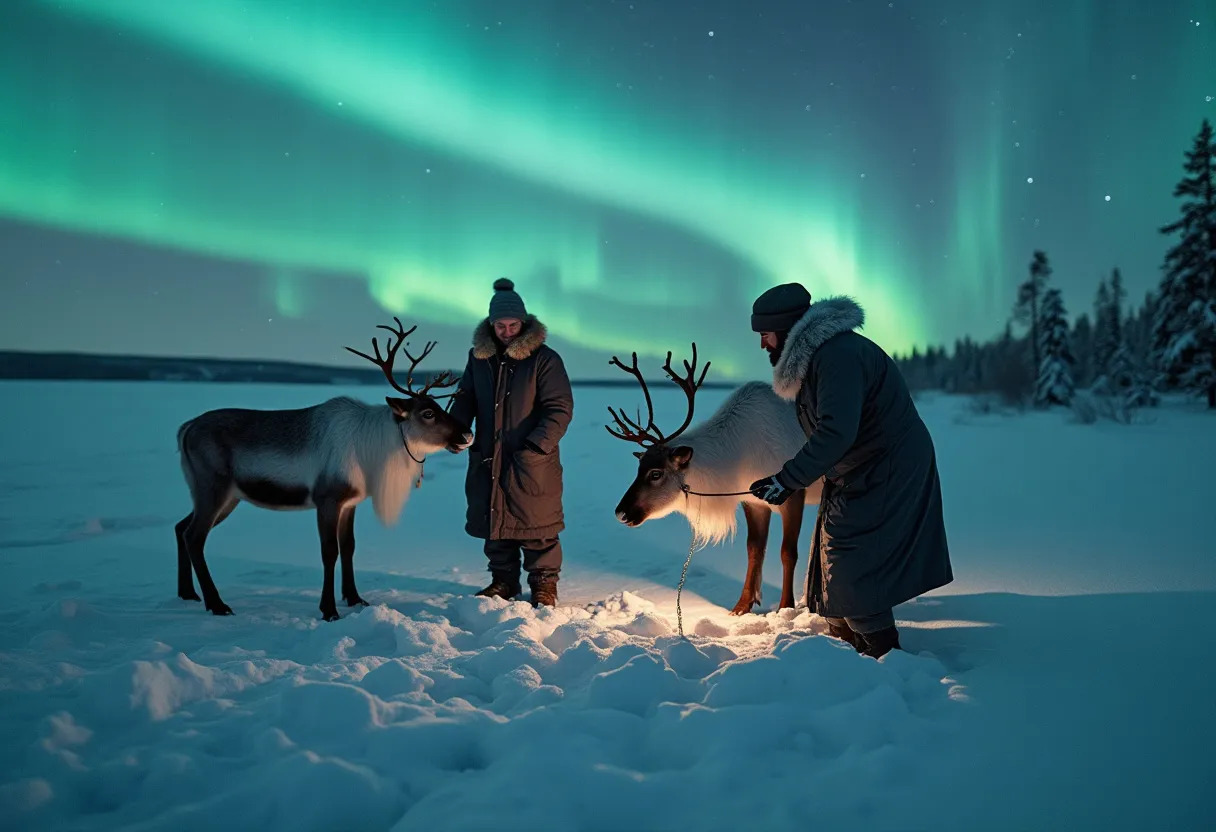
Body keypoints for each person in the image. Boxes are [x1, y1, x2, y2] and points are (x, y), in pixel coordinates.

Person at [746, 283, 953, 658]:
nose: (763, 345)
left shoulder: (837, 357)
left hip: (887, 467)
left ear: (788, 330)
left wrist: (787, 480)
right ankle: (846, 648)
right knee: (832, 553)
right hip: (855, 469)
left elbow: (836, 431)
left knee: (853, 559)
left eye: (765, 335)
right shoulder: (820, 358)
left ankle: (884, 655)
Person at [447, 278, 574, 607]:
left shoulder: (545, 360)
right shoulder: (479, 358)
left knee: (538, 526)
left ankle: (544, 586)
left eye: (513, 324)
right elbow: (465, 399)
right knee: (495, 522)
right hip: (489, 455)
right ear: (491, 325)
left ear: (524, 322)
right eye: (500, 325)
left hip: (531, 458)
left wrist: (537, 445)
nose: (506, 331)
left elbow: (559, 408)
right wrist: (453, 430)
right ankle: (503, 582)